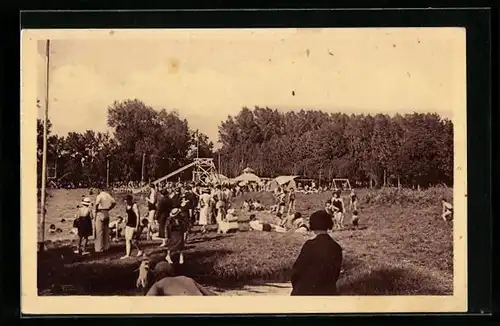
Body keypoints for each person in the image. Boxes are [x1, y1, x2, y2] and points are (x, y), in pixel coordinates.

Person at [290, 210, 343, 296]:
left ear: (312, 224)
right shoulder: (336, 247)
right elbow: (335, 275)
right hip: (327, 292)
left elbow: (296, 271)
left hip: (305, 291)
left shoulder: (309, 245)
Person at [146, 260, 217, 296]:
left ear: (160, 274)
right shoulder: (186, 279)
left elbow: (147, 302)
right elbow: (212, 295)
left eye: (156, 275)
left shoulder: (159, 284)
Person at [94, 188, 117, 253]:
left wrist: (95, 211)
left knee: (99, 231)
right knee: (106, 230)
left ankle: (99, 248)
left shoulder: (100, 196)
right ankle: (106, 246)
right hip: (106, 212)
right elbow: (114, 203)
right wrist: (109, 208)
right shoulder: (108, 195)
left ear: (99, 190)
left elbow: (96, 204)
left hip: (100, 212)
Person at [121, 194, 143, 259]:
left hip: (133, 224)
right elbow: (127, 214)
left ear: (129, 200)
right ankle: (127, 254)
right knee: (127, 239)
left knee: (131, 239)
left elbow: (138, 216)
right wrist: (125, 219)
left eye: (126, 200)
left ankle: (139, 250)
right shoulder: (127, 206)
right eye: (125, 200)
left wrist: (137, 226)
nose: (125, 202)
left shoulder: (134, 205)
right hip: (128, 224)